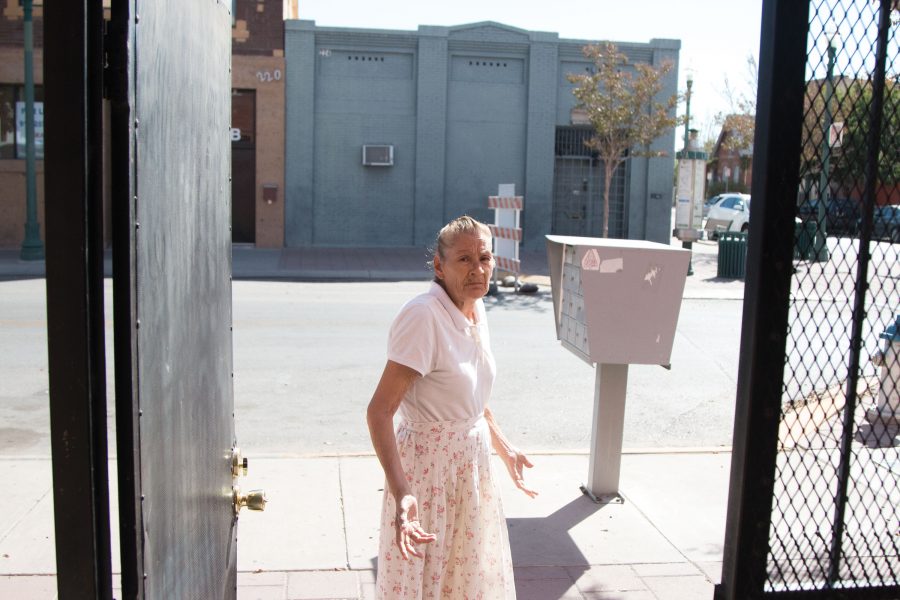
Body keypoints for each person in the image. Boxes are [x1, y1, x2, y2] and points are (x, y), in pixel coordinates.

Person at [367, 216, 537, 599]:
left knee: (466, 581)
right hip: (429, 472)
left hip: (472, 467)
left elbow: (471, 396)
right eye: (464, 260)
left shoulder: (476, 308)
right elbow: (379, 411)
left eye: (484, 257)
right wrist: (402, 492)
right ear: (439, 267)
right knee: (428, 584)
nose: (477, 269)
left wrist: (504, 448)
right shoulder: (423, 316)